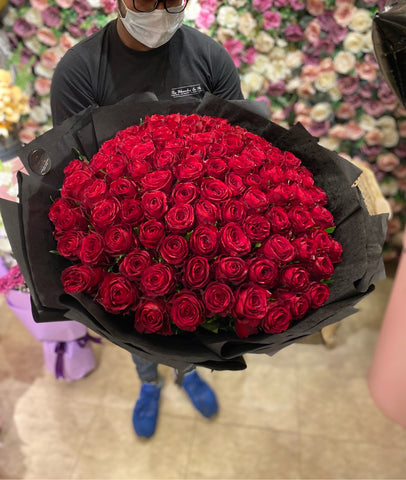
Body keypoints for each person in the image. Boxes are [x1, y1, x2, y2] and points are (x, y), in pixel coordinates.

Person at [50, 0, 244, 439]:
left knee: (196, 308)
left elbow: (241, 140)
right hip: (120, 240)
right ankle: (148, 381)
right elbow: (73, 172)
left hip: (203, 229)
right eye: (144, 0)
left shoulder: (210, 58)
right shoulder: (80, 70)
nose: (159, 11)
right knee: (136, 315)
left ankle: (188, 372)